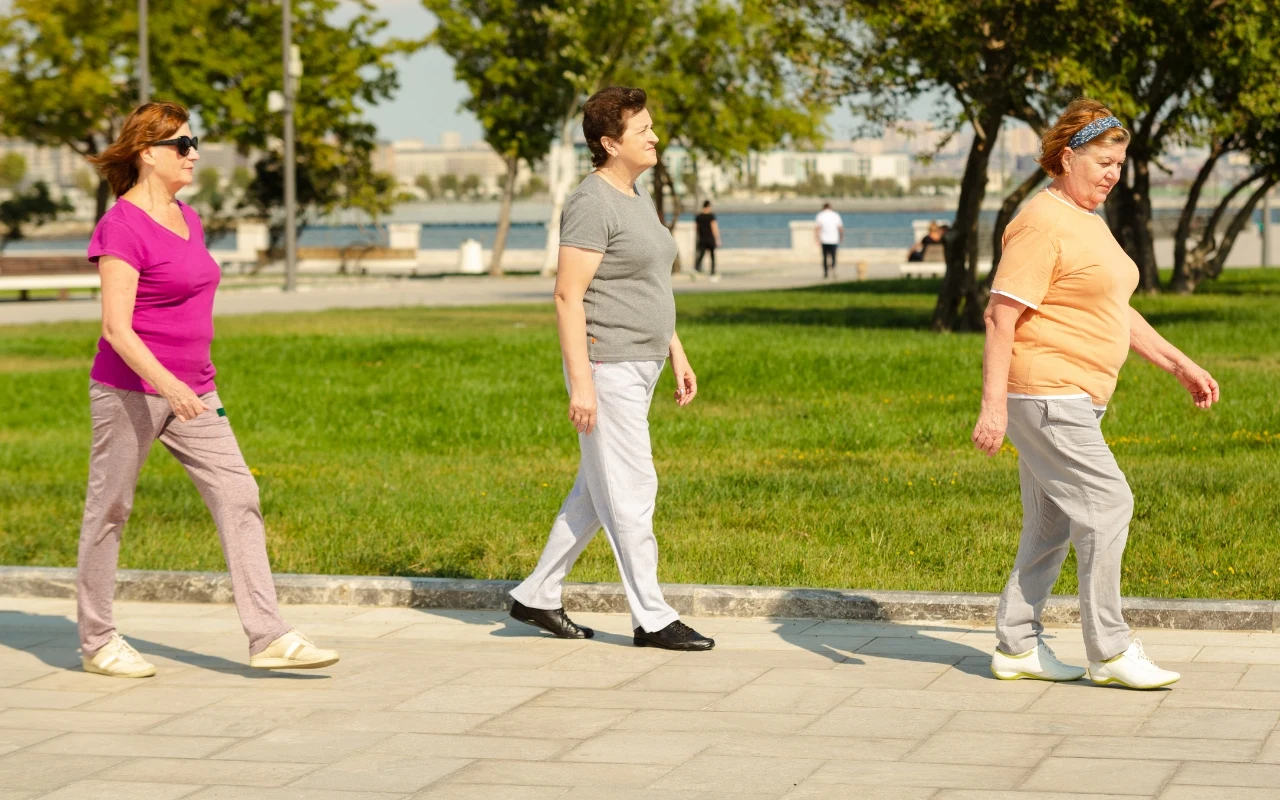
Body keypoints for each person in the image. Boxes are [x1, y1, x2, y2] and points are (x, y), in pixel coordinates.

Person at [77, 101, 339, 678]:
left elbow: (192, 312)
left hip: (195, 391)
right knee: (111, 509)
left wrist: (198, 387)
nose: (193, 153)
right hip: (130, 392)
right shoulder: (120, 225)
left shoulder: (186, 217)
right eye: (181, 144)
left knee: (239, 493)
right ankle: (97, 640)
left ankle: (268, 634)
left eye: (194, 142)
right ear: (148, 153)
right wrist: (168, 386)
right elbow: (116, 329)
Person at [973, 99, 1220, 690]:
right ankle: (1109, 651)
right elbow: (1000, 316)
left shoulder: (1086, 219)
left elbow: (1114, 309)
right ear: (1066, 157)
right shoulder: (1041, 222)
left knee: (1051, 522)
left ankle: (1016, 646)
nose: (1113, 174)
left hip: (1071, 397)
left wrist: (1177, 363)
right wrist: (993, 408)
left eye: (1119, 163)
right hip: (1047, 393)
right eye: (1104, 162)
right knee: (1110, 504)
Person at [508, 86, 714, 652]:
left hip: (641, 360)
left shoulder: (634, 196)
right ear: (609, 142)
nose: (655, 136)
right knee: (631, 488)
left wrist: (675, 349)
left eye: (652, 126)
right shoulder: (592, 202)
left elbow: (646, 282)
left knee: (595, 494)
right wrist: (582, 384)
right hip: (608, 365)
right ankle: (653, 616)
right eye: (642, 129)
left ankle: (536, 595)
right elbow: (567, 296)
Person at [694, 200, 721, 281]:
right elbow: (714, 228)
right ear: (708, 206)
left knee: (701, 255)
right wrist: (717, 239)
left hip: (702, 239)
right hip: (710, 238)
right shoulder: (711, 216)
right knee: (712, 256)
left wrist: (698, 237)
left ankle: (696, 270)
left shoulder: (698, 216)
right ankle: (712, 272)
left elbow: (697, 229)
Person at [814, 202, 843, 279]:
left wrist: (817, 238)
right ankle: (833, 269)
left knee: (824, 257)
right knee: (833, 256)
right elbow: (840, 228)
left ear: (823, 208)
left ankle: (826, 272)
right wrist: (841, 237)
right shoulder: (836, 215)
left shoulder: (820, 215)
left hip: (824, 240)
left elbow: (817, 228)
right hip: (834, 239)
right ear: (830, 207)